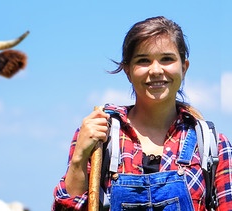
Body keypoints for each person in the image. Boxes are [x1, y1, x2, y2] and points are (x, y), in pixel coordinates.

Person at [52, 16, 232, 211]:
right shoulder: (100, 135)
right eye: (143, 60)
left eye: (167, 59)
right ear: (128, 71)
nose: (155, 70)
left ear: (184, 67)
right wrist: (79, 157)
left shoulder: (212, 145)